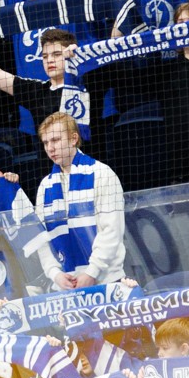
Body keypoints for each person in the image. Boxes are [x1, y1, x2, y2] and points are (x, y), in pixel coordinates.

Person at [33, 112, 126, 290]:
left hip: (107, 282)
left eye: (55, 140)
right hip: (65, 285)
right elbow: (42, 238)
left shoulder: (102, 173)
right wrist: (55, 273)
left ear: (74, 139)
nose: (50, 148)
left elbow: (112, 230)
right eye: (45, 143)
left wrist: (92, 271)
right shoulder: (45, 186)